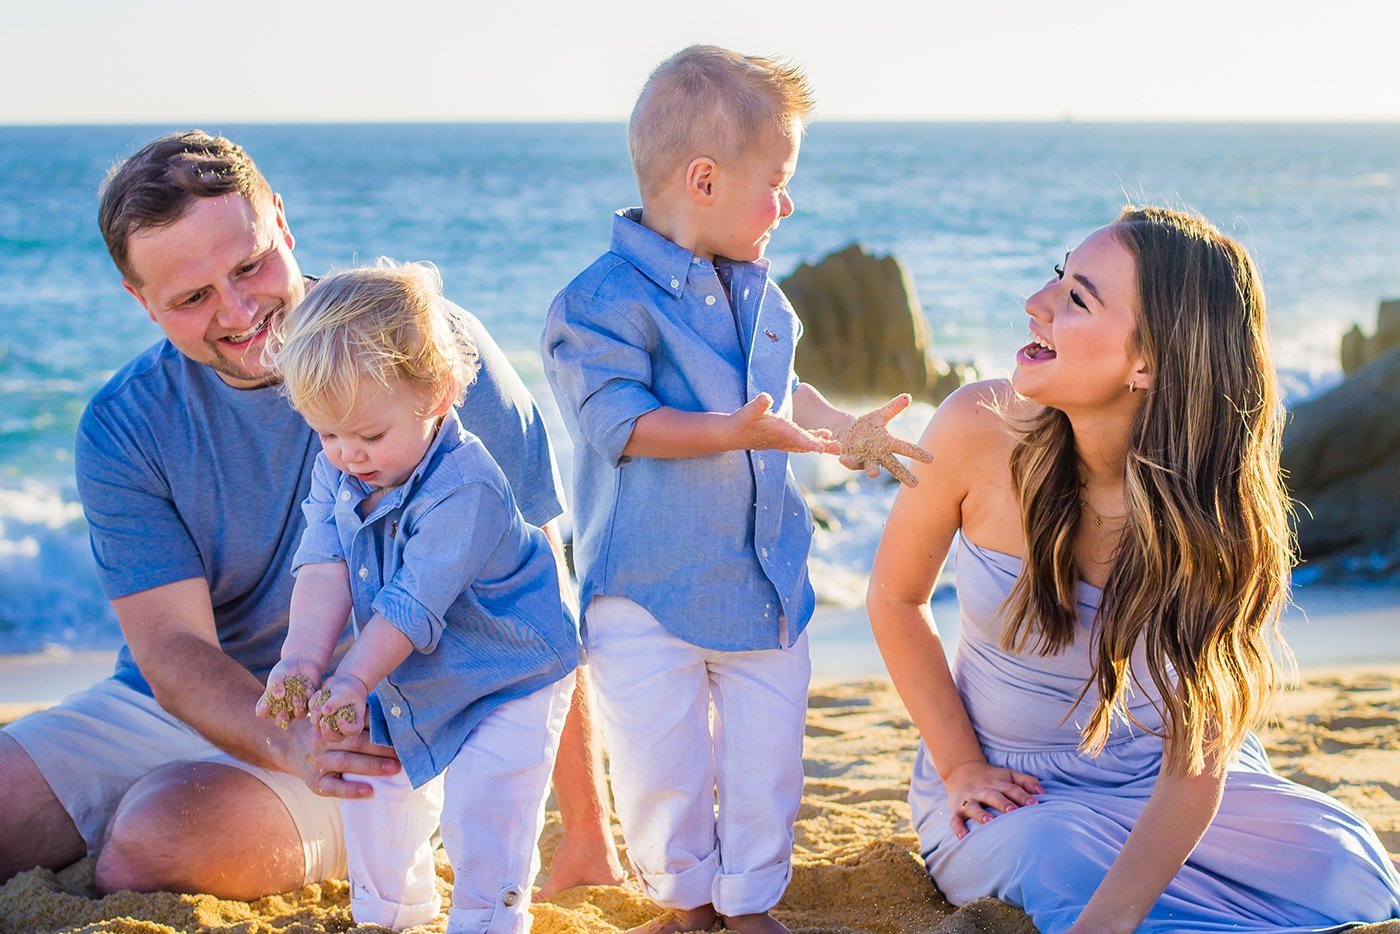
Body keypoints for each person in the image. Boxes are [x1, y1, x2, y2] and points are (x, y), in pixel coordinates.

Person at [0, 130, 623, 900]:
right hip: (191, 707)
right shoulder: (123, 423)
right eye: (192, 298)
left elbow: (538, 591)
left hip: (375, 716)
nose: (237, 312)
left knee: (153, 842)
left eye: (250, 265)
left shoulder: (425, 352)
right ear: (140, 300)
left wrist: (589, 831)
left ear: (283, 225)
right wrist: (275, 735)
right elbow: (170, 650)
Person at [866, 205, 1400, 933]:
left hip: (1168, 781)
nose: (1037, 304)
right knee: (1053, 858)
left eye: (1077, 298)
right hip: (1011, 789)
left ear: (1147, 361)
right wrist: (960, 766)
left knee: (1344, 863)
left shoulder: (1217, 512)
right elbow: (896, 598)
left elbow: (1197, 763)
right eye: (1060, 277)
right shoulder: (974, 426)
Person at [542, 45, 931, 934]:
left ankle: (749, 899)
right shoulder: (597, 302)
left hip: (762, 582)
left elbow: (780, 392)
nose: (788, 204)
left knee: (768, 764)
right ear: (704, 180)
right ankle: (685, 903)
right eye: (778, 182)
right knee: (662, 766)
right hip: (645, 590)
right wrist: (732, 431)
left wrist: (842, 430)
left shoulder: (763, 294)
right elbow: (622, 424)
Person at [256, 262, 578, 931]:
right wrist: (301, 663)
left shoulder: (467, 486)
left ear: (435, 395)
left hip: (510, 668)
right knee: (374, 785)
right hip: (411, 666)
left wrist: (351, 677)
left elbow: (410, 602)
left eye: (369, 435)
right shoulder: (340, 467)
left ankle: (487, 921)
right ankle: (390, 918)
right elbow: (323, 566)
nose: (347, 455)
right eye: (327, 434)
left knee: (483, 809)